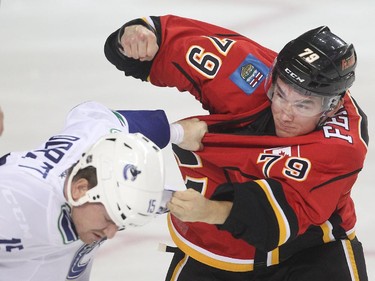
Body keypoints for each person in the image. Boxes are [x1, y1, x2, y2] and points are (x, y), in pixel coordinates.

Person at [105, 15, 369, 280]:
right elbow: (163, 42)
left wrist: (209, 210)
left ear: (332, 107)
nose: (285, 113)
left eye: (303, 105)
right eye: (280, 94)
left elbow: (275, 219)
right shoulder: (249, 74)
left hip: (309, 251)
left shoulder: (340, 145)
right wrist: (134, 38)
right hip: (216, 246)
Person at [0, 100, 205, 281]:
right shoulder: (17, 205)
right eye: (109, 218)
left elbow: (95, 116)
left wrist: (177, 132)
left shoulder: (96, 143)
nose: (111, 233)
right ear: (81, 190)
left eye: (119, 221)